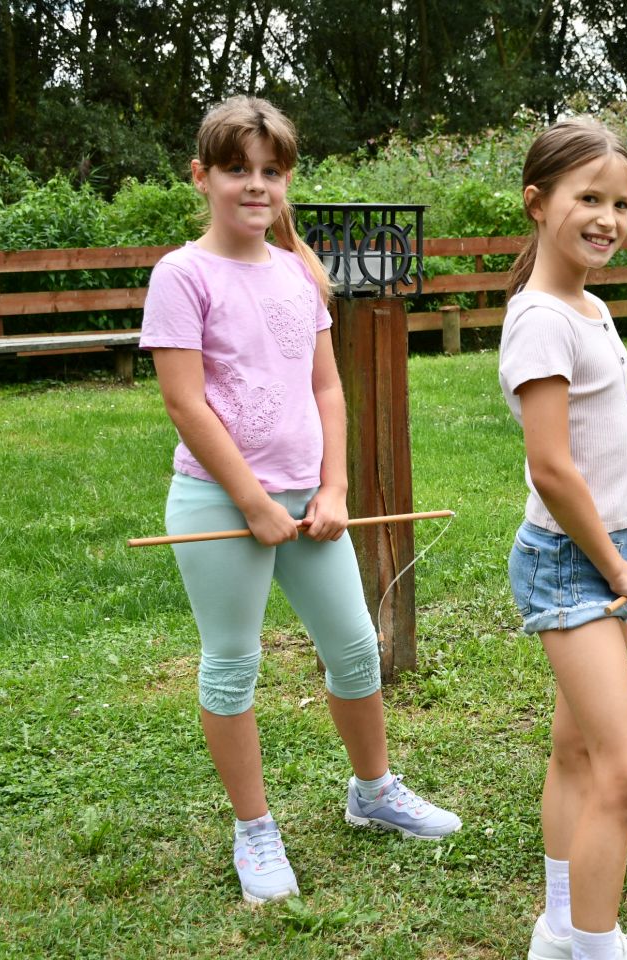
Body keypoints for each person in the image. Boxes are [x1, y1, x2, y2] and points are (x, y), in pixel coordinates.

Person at [139, 96, 461, 905]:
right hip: (220, 503)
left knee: (354, 649)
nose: (256, 186)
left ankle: (374, 792)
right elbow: (185, 403)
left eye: (271, 172)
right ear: (201, 176)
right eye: (237, 170)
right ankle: (254, 830)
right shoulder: (182, 275)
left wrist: (336, 487)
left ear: (286, 181)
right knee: (232, 665)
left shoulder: (299, 271)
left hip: (309, 503)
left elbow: (327, 388)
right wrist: (250, 501)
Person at [497, 118, 627, 960]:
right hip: (572, 563)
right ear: (538, 204)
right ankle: (594, 950)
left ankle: (557, 930)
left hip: (605, 553)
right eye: (588, 199)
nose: (608, 217)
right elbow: (554, 471)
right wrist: (617, 566)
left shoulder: (589, 304)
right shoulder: (541, 320)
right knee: (625, 771)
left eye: (620, 203)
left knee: (575, 752)